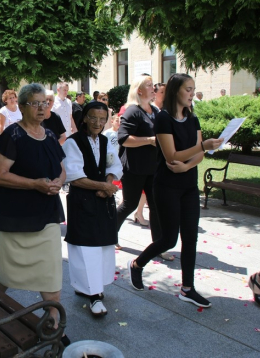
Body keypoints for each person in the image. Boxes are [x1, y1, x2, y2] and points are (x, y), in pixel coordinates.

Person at [127, 73, 223, 308]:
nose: (192, 94)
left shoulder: (193, 118)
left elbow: (197, 155)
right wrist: (202, 146)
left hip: (189, 185)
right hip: (167, 187)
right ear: (175, 91)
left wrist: (187, 166)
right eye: (188, 89)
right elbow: (171, 155)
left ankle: (187, 289)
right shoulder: (163, 119)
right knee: (169, 239)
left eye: (193, 89)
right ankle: (137, 264)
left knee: (191, 238)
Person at [0, 83, 68, 344]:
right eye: (35, 103)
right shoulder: (12, 135)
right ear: (22, 106)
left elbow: (61, 167)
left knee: (51, 271)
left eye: (44, 102)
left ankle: (54, 323)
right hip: (15, 218)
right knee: (5, 275)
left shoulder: (48, 134)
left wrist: (59, 181)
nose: (41, 108)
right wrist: (34, 183)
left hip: (46, 215)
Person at [62, 101, 122, 317]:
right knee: (85, 248)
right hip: (82, 201)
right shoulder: (73, 142)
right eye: (93, 117)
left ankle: (93, 288)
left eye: (102, 118)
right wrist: (102, 187)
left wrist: (108, 183)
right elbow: (73, 175)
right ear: (84, 118)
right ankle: (94, 295)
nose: (98, 122)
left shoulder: (106, 141)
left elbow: (114, 166)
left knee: (103, 246)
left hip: (103, 201)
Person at [116, 75, 175, 260]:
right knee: (129, 204)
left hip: (153, 168)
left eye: (153, 85)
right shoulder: (132, 111)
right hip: (134, 168)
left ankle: (159, 246)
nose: (153, 88)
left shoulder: (155, 111)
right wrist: (149, 140)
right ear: (139, 90)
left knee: (156, 206)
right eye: (149, 85)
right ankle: (109, 234)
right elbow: (123, 139)